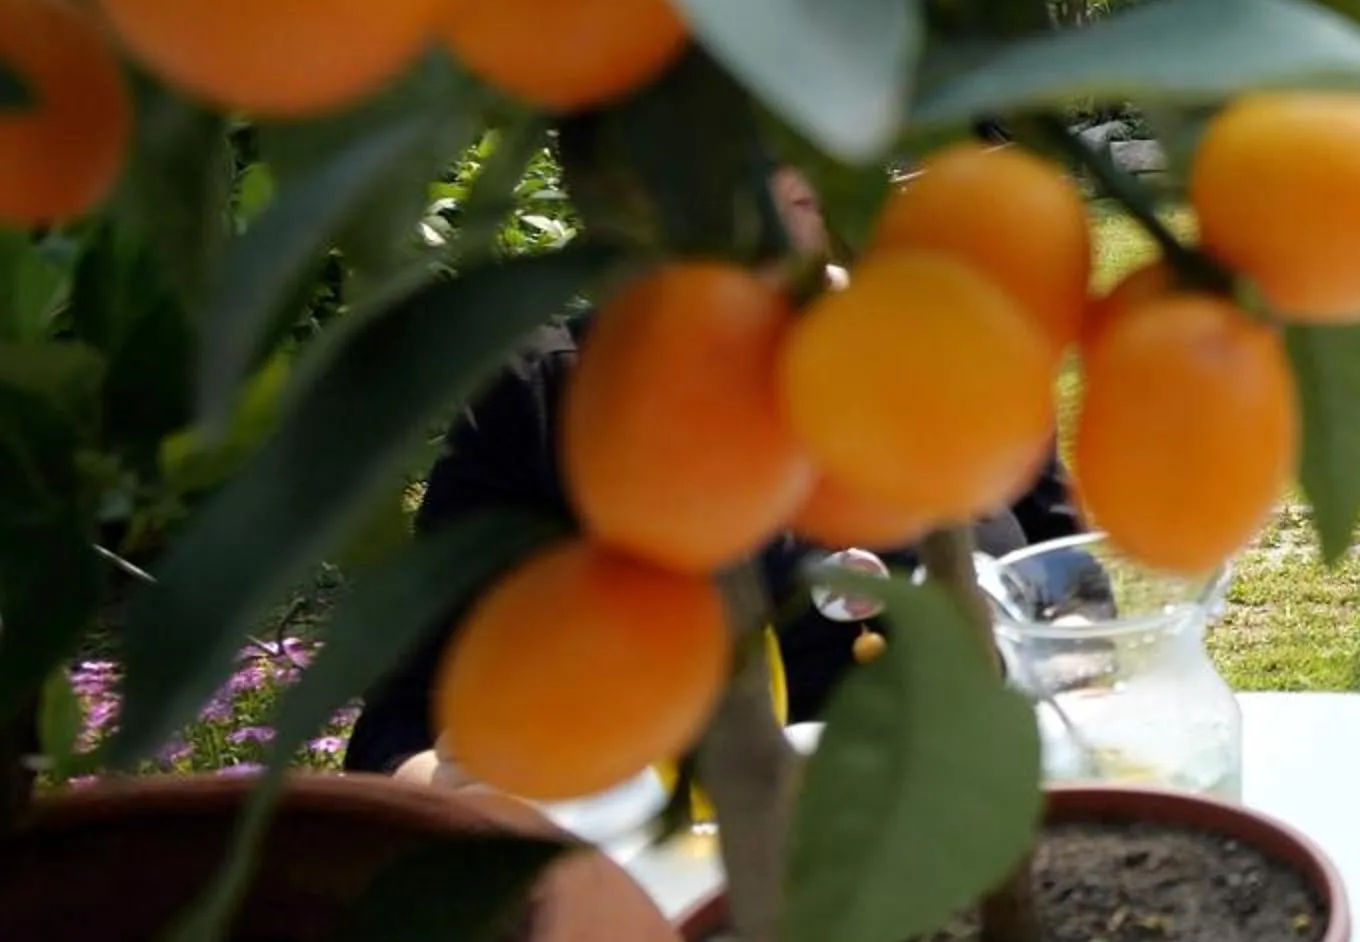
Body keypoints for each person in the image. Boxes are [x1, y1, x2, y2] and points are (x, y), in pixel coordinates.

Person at [345, 163, 1080, 781]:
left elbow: (1078, 603)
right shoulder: (545, 404)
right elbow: (401, 731)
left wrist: (1068, 654)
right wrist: (457, 783)